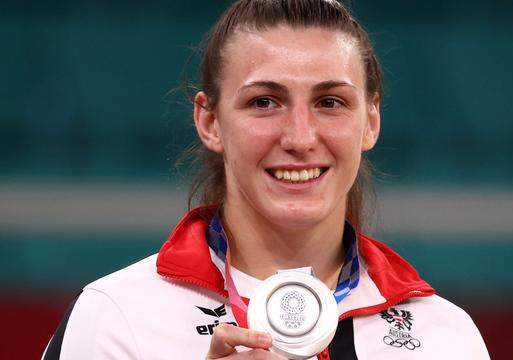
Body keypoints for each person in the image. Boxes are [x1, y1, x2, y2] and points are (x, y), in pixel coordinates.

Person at [43, 0, 490, 359]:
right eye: (264, 102)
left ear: (370, 121)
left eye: (331, 101)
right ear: (210, 121)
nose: (299, 137)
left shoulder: (444, 339)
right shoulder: (118, 320)